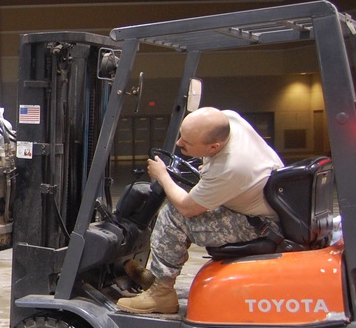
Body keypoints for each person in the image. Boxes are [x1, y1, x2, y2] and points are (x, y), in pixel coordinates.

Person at [116, 107, 283, 315]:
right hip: (259, 206)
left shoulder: (231, 168)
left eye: (187, 143)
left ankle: (162, 294)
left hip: (260, 225)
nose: (179, 143)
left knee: (173, 216)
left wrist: (163, 176)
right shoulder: (231, 120)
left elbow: (187, 207)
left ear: (214, 146)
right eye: (181, 137)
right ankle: (159, 277)